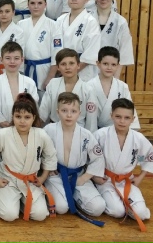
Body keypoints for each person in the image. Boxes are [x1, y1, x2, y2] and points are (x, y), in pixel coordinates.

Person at [0, 99, 57, 222]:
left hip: (30, 180)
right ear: (13, 117)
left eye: (27, 117)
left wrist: (43, 177)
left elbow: (50, 156)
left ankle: (21, 203)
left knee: (40, 215)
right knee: (9, 215)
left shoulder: (41, 135)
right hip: (8, 178)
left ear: (34, 118)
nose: (22, 121)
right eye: (18, 116)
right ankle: (7, 199)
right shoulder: (3, 134)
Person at [93, 98, 153, 232]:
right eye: (118, 116)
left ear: (133, 119)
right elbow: (88, 158)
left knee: (141, 214)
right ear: (111, 116)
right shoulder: (101, 135)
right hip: (106, 180)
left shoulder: (138, 138)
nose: (122, 121)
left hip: (127, 180)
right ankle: (119, 204)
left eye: (127, 118)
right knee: (117, 211)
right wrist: (94, 177)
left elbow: (150, 157)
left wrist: (140, 177)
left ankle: (127, 205)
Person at [43, 92, 106, 223]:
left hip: (78, 176)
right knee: (61, 207)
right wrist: (47, 169)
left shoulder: (86, 134)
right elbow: (39, 152)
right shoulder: (48, 130)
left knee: (98, 208)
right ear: (57, 112)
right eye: (64, 110)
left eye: (73, 111)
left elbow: (98, 158)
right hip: (55, 176)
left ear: (79, 113)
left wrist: (85, 177)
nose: (69, 115)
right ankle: (66, 197)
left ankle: (74, 197)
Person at [0, 42, 39, 146]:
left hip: (24, 125)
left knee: (37, 140)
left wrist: (21, 123)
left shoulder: (29, 83)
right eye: (8, 58)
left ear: (22, 60)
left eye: (16, 58)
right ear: (1, 60)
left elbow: (33, 106)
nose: (12, 62)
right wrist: (4, 124)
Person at [17, 0, 63, 97]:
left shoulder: (53, 25)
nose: (36, 6)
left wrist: (50, 76)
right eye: (32, 3)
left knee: (44, 100)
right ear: (28, 5)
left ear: (45, 5)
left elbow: (57, 53)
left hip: (45, 70)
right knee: (25, 100)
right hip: (24, 68)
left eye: (40, 3)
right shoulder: (20, 24)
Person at [85, 47, 140, 132]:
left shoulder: (122, 87)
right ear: (98, 63)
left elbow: (129, 110)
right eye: (105, 64)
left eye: (113, 64)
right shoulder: (88, 86)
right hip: (93, 130)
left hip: (116, 131)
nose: (109, 68)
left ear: (118, 65)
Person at [39, 48, 97, 128]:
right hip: (55, 128)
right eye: (63, 64)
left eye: (71, 63)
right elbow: (43, 112)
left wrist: (88, 135)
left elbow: (91, 121)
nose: (67, 67)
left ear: (78, 65)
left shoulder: (88, 89)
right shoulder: (53, 84)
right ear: (58, 67)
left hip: (78, 129)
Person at [57, 0, 101, 81]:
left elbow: (90, 53)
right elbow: (54, 45)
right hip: (61, 69)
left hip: (83, 71)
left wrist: (71, 71)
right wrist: (61, 69)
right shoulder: (60, 20)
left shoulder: (91, 21)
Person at [89, 0, 134, 77]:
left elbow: (125, 50)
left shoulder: (120, 21)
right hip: (87, 68)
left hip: (109, 69)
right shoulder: (86, 19)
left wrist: (115, 78)